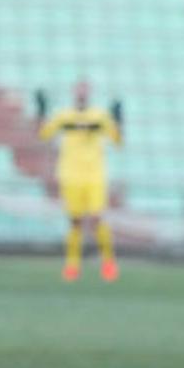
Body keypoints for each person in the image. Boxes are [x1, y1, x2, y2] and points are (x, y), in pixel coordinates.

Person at [37, 80, 123, 283]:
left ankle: (108, 263)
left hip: (94, 175)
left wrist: (119, 118)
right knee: (74, 222)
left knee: (96, 219)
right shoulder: (64, 116)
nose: (81, 94)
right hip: (70, 175)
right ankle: (72, 265)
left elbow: (118, 140)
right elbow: (43, 134)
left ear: (89, 93)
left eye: (85, 90)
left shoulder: (100, 117)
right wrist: (40, 112)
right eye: (79, 90)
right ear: (74, 93)